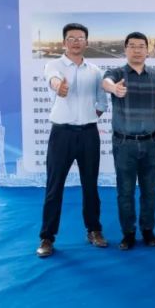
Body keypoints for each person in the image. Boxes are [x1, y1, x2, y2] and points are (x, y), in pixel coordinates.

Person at [36, 23, 108, 257]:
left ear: (87, 42)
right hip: (62, 134)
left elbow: (102, 102)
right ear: (64, 42)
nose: (76, 42)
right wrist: (59, 87)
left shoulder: (95, 71)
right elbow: (53, 80)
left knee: (91, 185)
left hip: (88, 134)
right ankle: (47, 237)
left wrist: (88, 117)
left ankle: (94, 230)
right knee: (54, 186)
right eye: (71, 38)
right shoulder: (54, 65)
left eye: (80, 38)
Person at [103, 32, 155, 250]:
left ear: (147, 50)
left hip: (151, 142)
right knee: (125, 191)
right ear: (125, 49)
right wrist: (114, 88)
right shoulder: (117, 74)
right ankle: (128, 233)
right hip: (124, 144)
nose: (137, 50)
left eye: (141, 46)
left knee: (150, 190)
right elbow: (105, 83)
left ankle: (148, 230)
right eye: (132, 46)